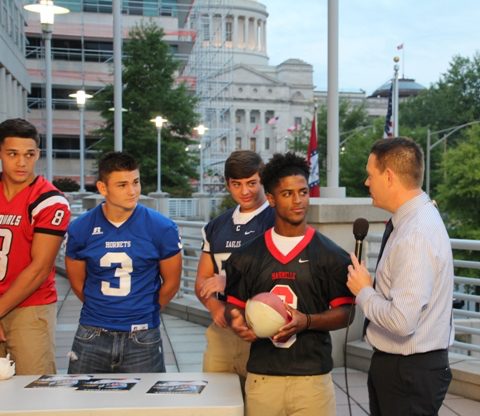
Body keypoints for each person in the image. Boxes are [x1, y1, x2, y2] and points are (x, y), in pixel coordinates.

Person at [224, 152, 355, 416]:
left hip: (312, 378)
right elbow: (232, 308)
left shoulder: (331, 255)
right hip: (264, 375)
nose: (298, 201)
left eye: (303, 192)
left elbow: (347, 313)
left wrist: (306, 321)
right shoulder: (246, 256)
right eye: (287, 194)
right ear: (271, 199)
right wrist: (237, 322)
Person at [347, 137, 454, 416]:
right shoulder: (412, 221)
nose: (366, 182)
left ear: (389, 177)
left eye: (371, 175)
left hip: (408, 373)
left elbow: (401, 321)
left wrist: (364, 291)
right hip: (403, 369)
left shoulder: (415, 234)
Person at [65, 151, 182, 373]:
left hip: (142, 333)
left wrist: (144, 311)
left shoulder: (161, 227)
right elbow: (78, 283)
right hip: (92, 331)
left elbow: (172, 283)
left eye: (135, 182)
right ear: (102, 188)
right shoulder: (81, 228)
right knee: (81, 404)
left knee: (143, 406)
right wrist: (105, 309)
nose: (132, 191)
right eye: (122, 185)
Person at [195, 150, 275, 386]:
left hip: (261, 330)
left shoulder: (277, 221)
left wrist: (230, 282)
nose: (245, 191)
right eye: (236, 184)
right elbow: (202, 280)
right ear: (228, 185)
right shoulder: (216, 226)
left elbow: (282, 277)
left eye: (252, 183)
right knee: (217, 404)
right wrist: (213, 306)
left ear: (263, 181)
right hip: (222, 332)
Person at [0, 118, 71, 374]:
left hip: (29, 307)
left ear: (37, 155)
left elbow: (39, 268)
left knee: (33, 391)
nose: (21, 162)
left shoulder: (49, 200)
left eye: (29, 154)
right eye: (12, 154)